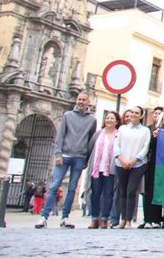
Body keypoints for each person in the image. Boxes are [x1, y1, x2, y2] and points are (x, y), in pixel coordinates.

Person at [35, 91, 97, 229]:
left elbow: (91, 140)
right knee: (54, 186)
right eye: (79, 99)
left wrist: (87, 158)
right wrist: (58, 154)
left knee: (72, 188)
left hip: (80, 157)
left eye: (83, 100)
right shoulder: (67, 116)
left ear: (88, 102)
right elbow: (60, 135)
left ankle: (65, 217)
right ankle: (44, 217)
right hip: (64, 156)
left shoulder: (92, 120)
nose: (80, 102)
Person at [113, 105, 151, 229]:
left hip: (138, 164)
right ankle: (122, 219)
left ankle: (129, 219)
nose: (133, 115)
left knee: (131, 191)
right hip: (121, 163)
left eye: (136, 113)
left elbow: (145, 147)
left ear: (141, 115)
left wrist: (134, 160)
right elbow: (116, 145)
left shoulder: (145, 131)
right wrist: (122, 160)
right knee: (122, 191)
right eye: (132, 112)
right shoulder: (122, 129)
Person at [87, 110, 121, 229]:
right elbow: (90, 147)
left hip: (110, 169)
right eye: (107, 118)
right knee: (95, 194)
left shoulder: (118, 135)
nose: (109, 120)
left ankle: (105, 219)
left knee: (108, 194)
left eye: (112, 118)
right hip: (97, 168)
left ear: (116, 121)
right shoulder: (98, 134)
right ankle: (94, 218)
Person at [138, 106, 164, 229]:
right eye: (155, 113)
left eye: (160, 113)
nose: (157, 115)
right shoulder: (147, 130)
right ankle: (147, 218)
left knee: (158, 192)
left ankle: (158, 219)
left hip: (162, 165)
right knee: (147, 192)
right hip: (149, 163)